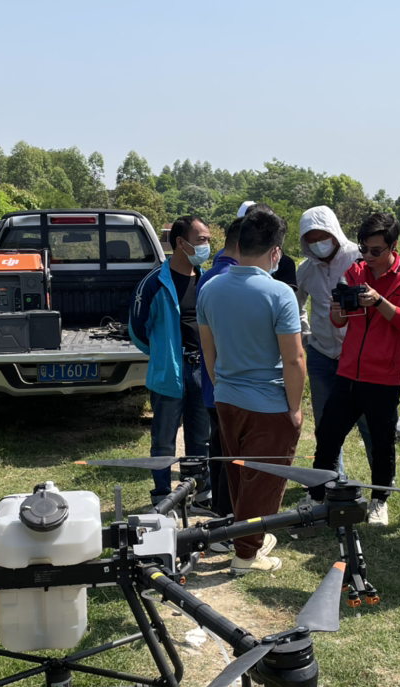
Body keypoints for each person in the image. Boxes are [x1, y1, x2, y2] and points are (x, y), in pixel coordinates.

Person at [197, 206, 305, 574]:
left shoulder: (209, 288)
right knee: (264, 481)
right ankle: (246, 554)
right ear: (276, 252)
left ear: (238, 245)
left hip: (227, 397)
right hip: (269, 403)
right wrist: (295, 407)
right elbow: (293, 360)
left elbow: (208, 351)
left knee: (240, 473)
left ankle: (247, 538)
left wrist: (223, 385)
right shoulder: (279, 294)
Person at [305, 213, 400, 525]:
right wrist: (338, 311)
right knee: (328, 434)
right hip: (348, 371)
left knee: (382, 441)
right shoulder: (356, 270)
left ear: (393, 246)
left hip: (384, 377)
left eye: (376, 251)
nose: (368, 257)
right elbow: (339, 322)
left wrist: (378, 300)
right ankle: (317, 495)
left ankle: (379, 500)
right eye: (364, 249)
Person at [128, 215, 212, 505]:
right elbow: (138, 329)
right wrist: (163, 356)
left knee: (200, 439)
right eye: (202, 240)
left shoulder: (206, 279)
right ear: (181, 242)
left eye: (208, 241)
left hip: (202, 371)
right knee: (163, 441)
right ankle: (162, 497)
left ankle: (199, 493)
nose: (207, 246)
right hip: (168, 374)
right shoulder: (153, 283)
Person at [294, 205, 374, 485]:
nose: (318, 244)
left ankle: (380, 486)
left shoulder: (360, 260)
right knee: (326, 424)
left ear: (335, 232)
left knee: (369, 423)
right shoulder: (306, 269)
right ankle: (333, 480)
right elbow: (296, 304)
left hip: (359, 356)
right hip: (322, 356)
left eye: (322, 236)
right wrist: (306, 334)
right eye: (311, 239)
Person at [196, 216, 242, 530]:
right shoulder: (230, 280)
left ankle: (219, 509)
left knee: (219, 447)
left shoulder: (208, 276)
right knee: (232, 455)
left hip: (212, 384)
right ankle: (228, 519)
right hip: (229, 383)